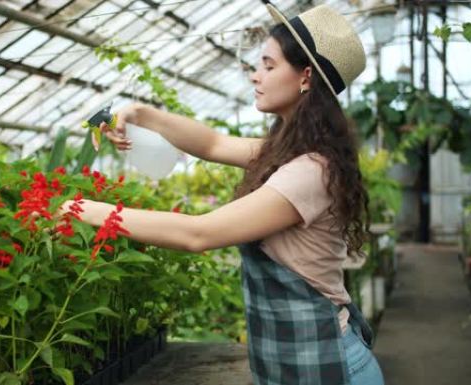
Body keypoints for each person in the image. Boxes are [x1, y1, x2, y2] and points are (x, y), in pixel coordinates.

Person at [57, 2, 385, 384]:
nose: (255, 76)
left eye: (268, 65)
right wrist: (140, 113)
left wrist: (83, 209)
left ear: (305, 77)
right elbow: (212, 144)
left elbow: (199, 234)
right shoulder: (289, 151)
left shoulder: (310, 171)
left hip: (331, 367)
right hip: (302, 363)